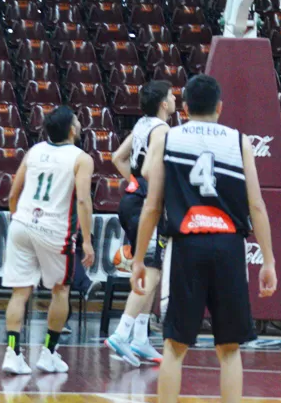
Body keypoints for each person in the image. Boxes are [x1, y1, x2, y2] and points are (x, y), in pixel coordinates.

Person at [130, 74, 277, 403]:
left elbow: (152, 205)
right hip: (228, 246)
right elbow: (257, 205)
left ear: (183, 107)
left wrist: (139, 259)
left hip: (187, 245)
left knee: (174, 346)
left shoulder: (169, 138)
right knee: (228, 348)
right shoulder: (239, 141)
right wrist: (268, 260)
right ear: (220, 107)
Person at [0, 106, 96, 375]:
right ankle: (48, 353)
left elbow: (12, 195)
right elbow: (82, 200)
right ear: (72, 129)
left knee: (20, 292)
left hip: (22, 223)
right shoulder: (81, 158)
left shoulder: (34, 151)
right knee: (60, 290)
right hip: (54, 230)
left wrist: (18, 219)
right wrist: (87, 241)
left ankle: (12, 352)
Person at [104, 80, 176, 366]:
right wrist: (148, 187)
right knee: (152, 271)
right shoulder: (162, 130)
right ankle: (122, 333)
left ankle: (140, 340)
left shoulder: (142, 125)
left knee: (151, 268)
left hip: (132, 201)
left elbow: (116, 157)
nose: (174, 99)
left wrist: (134, 183)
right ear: (163, 103)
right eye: (171, 96)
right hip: (147, 205)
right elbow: (151, 169)